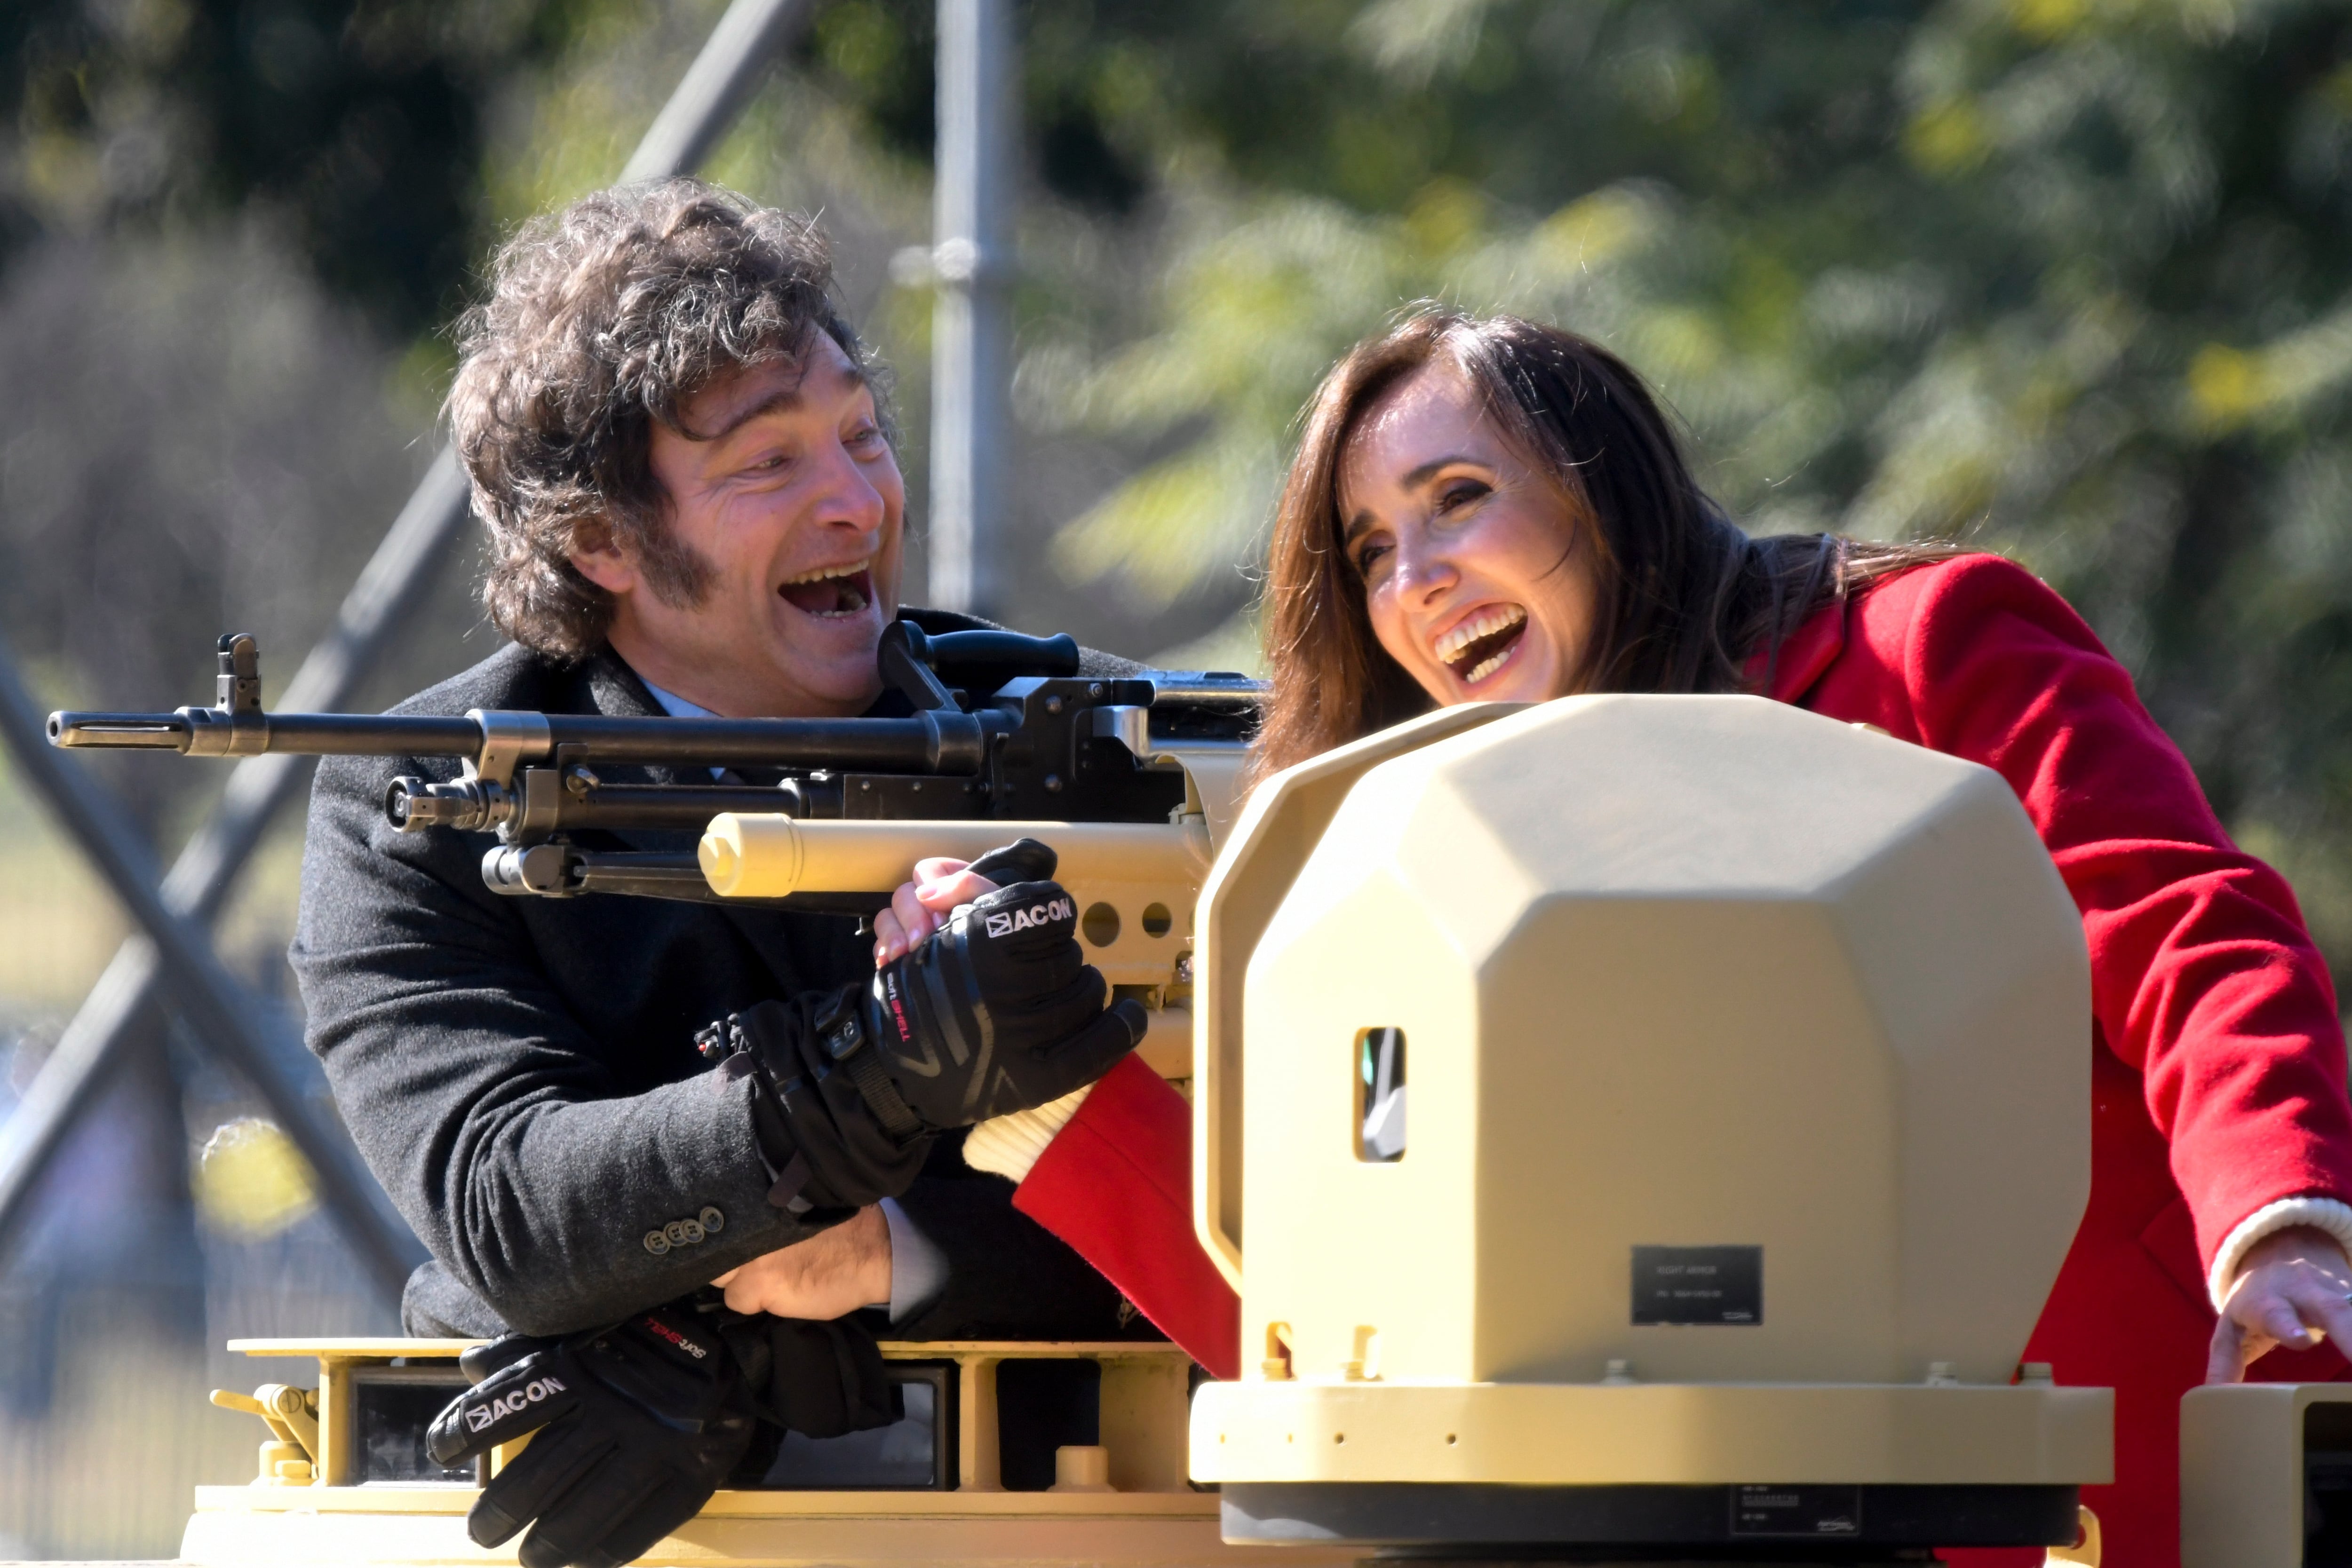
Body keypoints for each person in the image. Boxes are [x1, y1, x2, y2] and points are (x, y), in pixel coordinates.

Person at [887, 309, 2352, 1568]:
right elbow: (1376, 1353)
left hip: (2119, 1463)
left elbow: (2184, 930)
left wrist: (2279, 1219)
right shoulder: (1421, 871)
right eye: (1372, 552)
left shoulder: (1922, 646)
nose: (1418, 581)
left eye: (1459, 496)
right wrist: (1058, 1101)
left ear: (1611, 488)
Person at [291, 178, 1152, 1568]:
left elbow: (1261, 1203)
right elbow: (509, 1207)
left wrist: (869, 1265)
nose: (856, 502)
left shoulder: (1091, 744)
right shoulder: (427, 801)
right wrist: (874, 1071)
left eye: (864, 437)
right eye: (768, 466)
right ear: (602, 542)